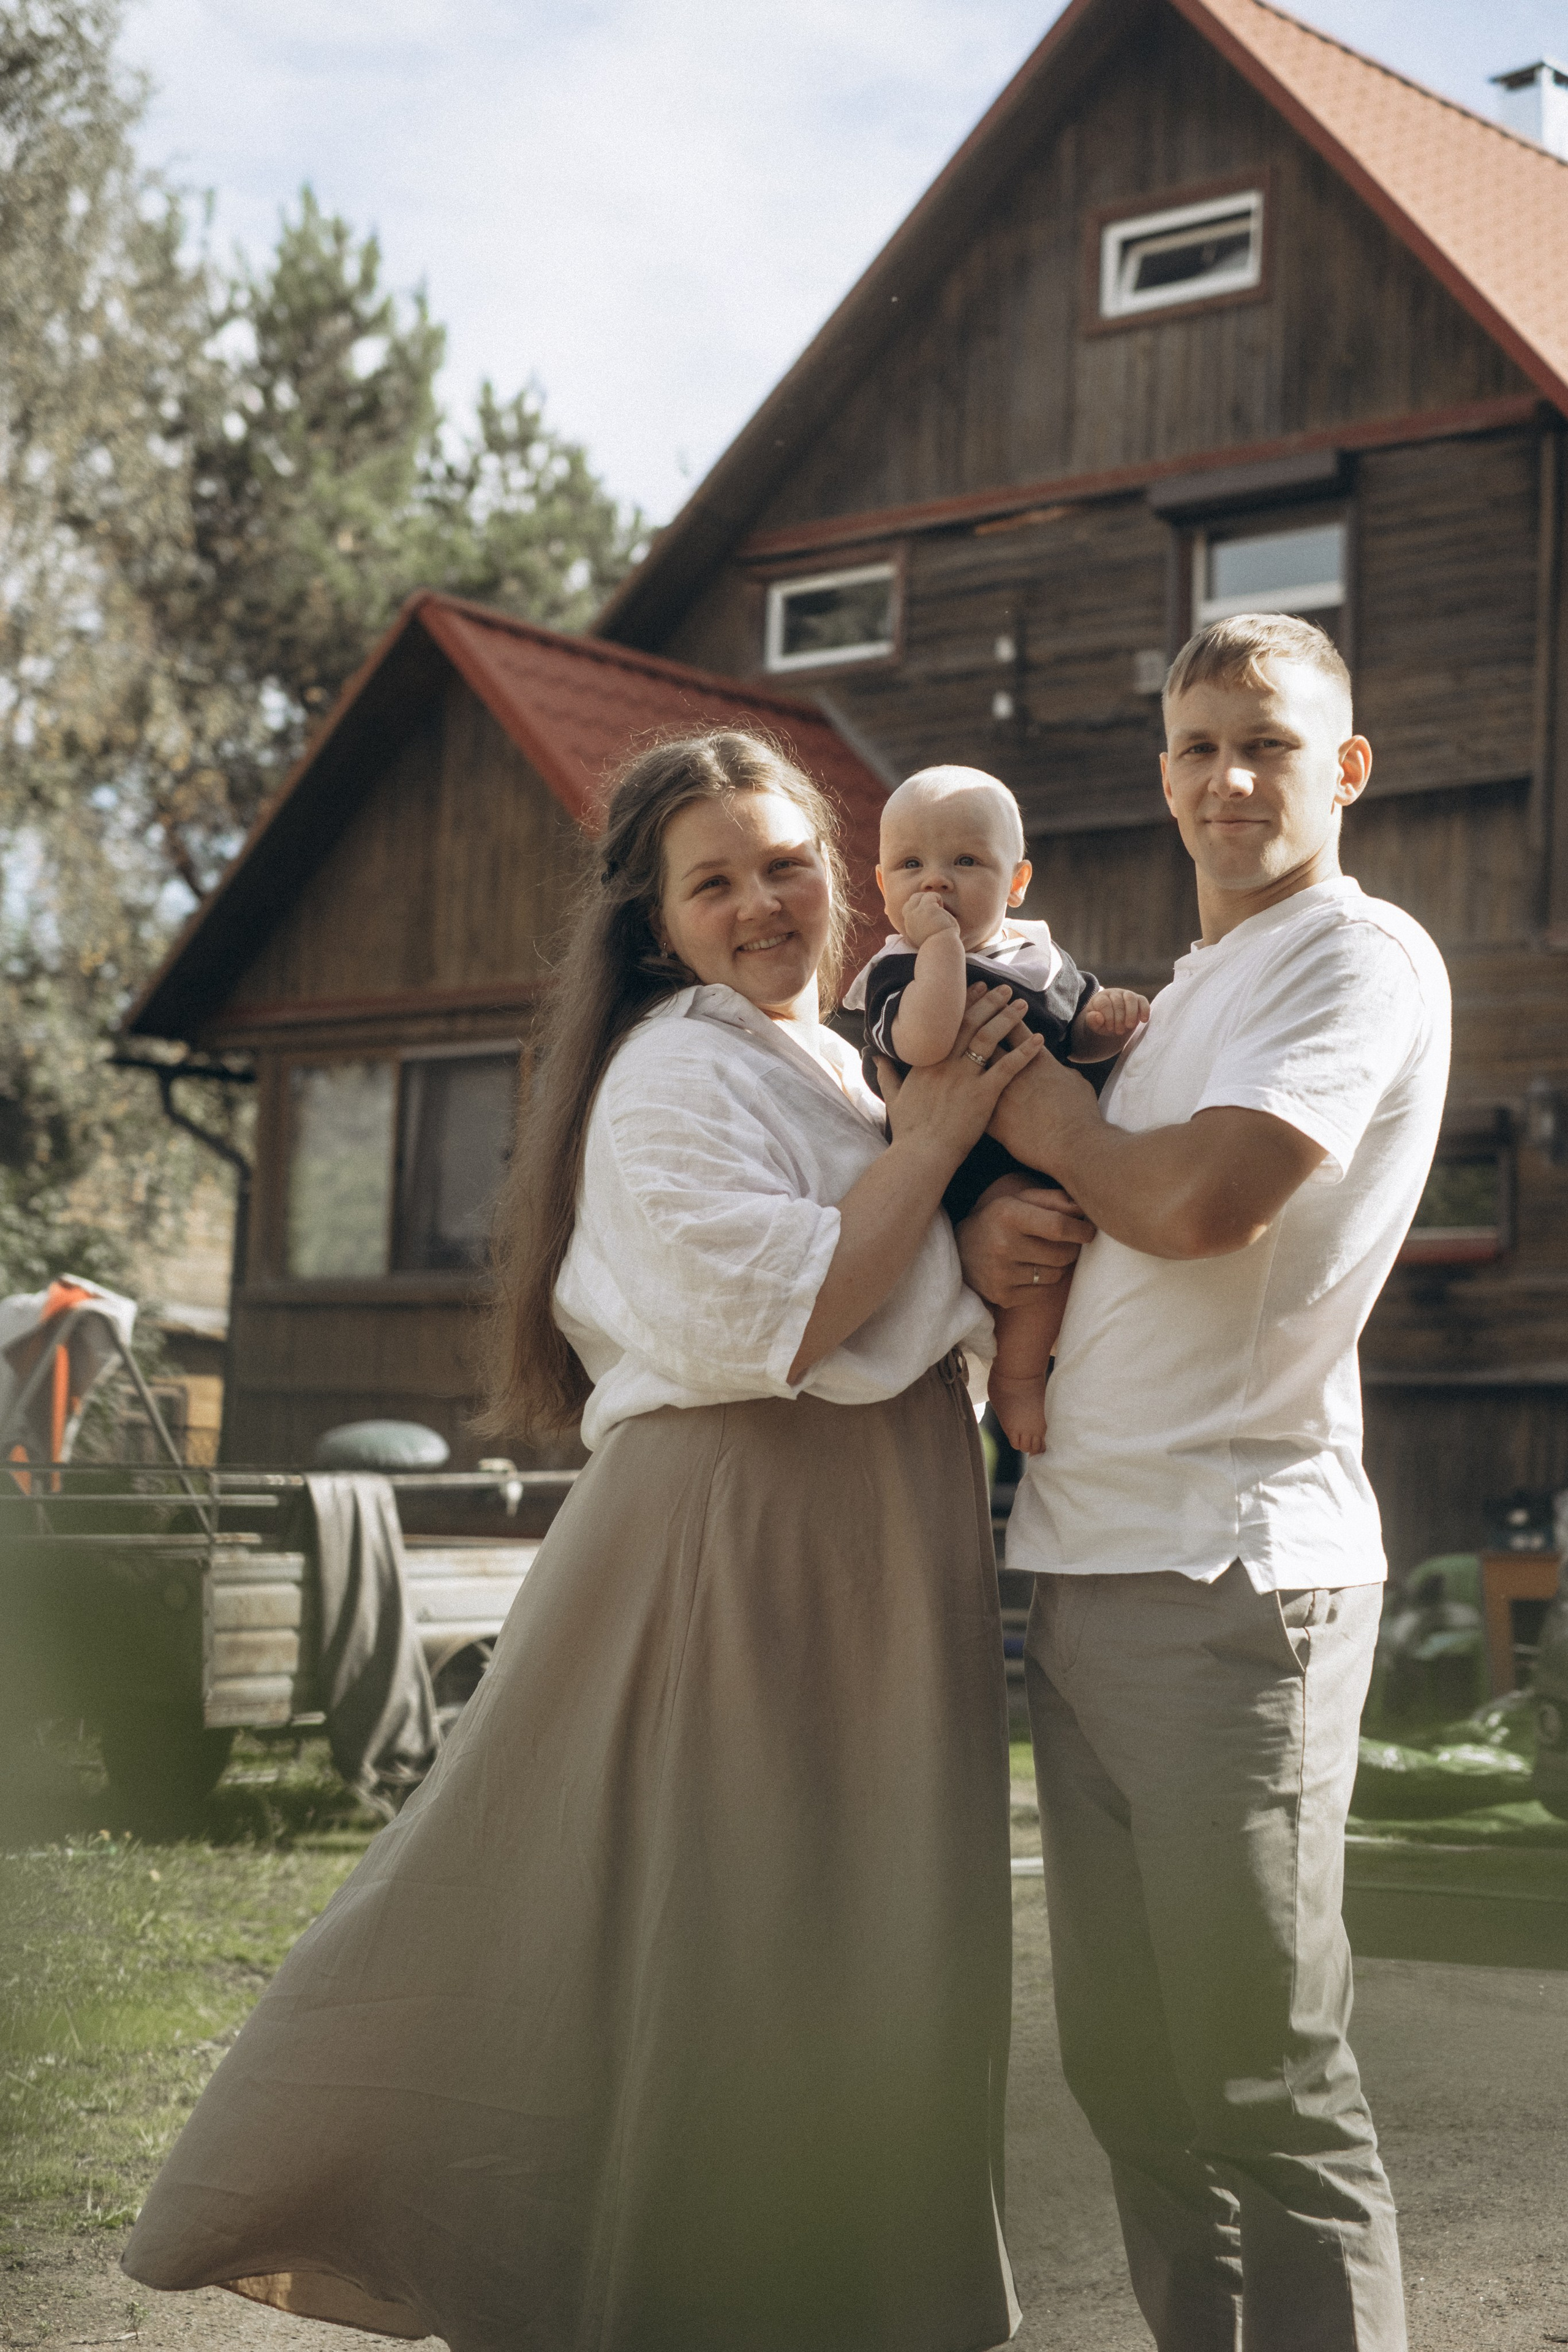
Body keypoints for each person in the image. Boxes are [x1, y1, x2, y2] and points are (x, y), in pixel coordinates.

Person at [123, 729, 1042, 2352]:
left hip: (871, 1538)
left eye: (783, 864)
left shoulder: (827, 1057)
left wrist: (948, 1169)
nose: (763, 902)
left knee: (858, 1947)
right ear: (655, 923)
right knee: (731, 1939)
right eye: (714, 882)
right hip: (749, 1539)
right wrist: (931, 1155)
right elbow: (804, 1306)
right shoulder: (676, 1068)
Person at [956, 614, 1450, 2352]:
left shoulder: (1356, 958)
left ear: (1348, 768)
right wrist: (1025, 1219)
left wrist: (1037, 1125)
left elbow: (1196, 1205)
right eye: (1197, 748)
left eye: (1269, 744)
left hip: (1237, 1581)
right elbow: (1112, 1220)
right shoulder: (1178, 1001)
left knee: (1262, 2087)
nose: (1230, 779)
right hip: (1083, 1568)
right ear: (1161, 773)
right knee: (1134, 2083)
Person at [844, 763, 1147, 1453]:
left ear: (1016, 882)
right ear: (884, 888)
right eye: (911, 865)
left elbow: (1078, 1037)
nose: (936, 880)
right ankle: (1015, 1378)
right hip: (960, 1173)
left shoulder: (1040, 961)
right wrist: (943, 950)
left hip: (1046, 1152)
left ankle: (1031, 1364)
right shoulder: (898, 971)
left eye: (966, 860)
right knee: (1035, 1222)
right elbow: (923, 1041)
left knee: (1061, 1225)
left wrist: (1107, 1020)